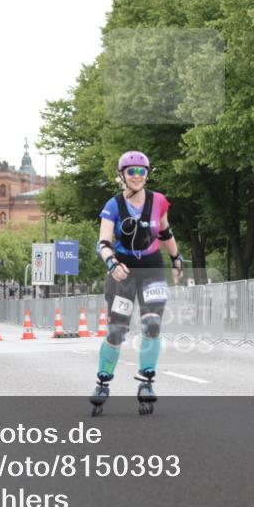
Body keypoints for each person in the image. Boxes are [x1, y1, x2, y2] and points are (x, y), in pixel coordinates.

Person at [90, 151, 183, 416]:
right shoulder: (113, 205)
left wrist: (176, 258)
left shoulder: (158, 201)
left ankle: (146, 382)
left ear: (147, 175)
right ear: (122, 175)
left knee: (152, 324)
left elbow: (165, 232)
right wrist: (112, 263)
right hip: (123, 272)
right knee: (116, 331)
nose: (137, 176)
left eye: (142, 171)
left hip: (152, 269)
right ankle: (102, 382)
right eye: (131, 171)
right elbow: (103, 242)